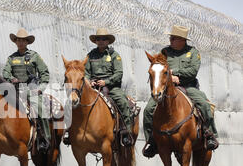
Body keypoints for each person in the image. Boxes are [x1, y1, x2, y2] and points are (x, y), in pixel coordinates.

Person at [142, 25, 219, 158]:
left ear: (182, 40)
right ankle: (152, 141)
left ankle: (209, 134)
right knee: (148, 110)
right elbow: (159, 68)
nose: (171, 40)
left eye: (174, 38)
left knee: (204, 105)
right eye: (171, 38)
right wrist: (169, 79)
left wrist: (176, 74)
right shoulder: (165, 52)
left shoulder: (193, 53)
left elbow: (193, 71)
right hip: (167, 88)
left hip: (188, 86)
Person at [68, 28, 133, 146]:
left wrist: (106, 81)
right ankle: (70, 132)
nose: (101, 41)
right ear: (95, 41)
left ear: (108, 41)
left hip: (111, 87)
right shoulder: (90, 55)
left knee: (122, 102)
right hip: (92, 87)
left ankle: (125, 132)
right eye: (98, 39)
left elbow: (118, 73)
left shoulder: (114, 55)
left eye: (104, 39)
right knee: (72, 101)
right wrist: (89, 81)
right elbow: (85, 71)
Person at [2, 28, 51, 152]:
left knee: (40, 108)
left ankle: (45, 138)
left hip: (32, 89)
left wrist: (40, 89)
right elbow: (5, 73)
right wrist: (11, 78)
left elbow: (45, 73)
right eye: (18, 40)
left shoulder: (34, 56)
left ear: (27, 42)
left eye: (23, 40)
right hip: (15, 89)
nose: (21, 43)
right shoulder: (11, 58)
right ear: (15, 42)